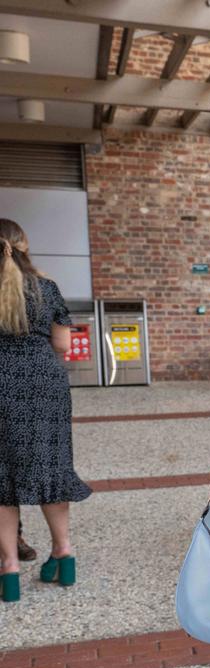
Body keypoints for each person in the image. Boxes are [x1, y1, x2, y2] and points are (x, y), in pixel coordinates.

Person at [0, 218, 92, 603]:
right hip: (45, 384)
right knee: (51, 466)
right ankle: (63, 552)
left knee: (2, 475)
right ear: (23, 244)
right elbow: (62, 343)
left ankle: (8, 569)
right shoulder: (47, 287)